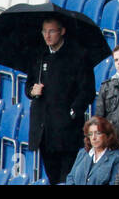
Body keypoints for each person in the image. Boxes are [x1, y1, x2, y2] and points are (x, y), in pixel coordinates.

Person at [26, 16, 97, 185]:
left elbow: (87, 90)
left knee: (67, 178)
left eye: (51, 31)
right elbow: (29, 85)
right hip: (44, 130)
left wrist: (72, 113)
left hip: (67, 131)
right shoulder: (39, 55)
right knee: (52, 176)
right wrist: (32, 91)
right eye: (44, 31)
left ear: (62, 31)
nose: (47, 36)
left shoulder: (78, 56)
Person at [64, 116, 119, 185]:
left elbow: (114, 182)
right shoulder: (83, 153)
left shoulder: (116, 157)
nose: (93, 138)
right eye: (90, 134)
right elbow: (71, 177)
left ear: (107, 135)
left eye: (98, 133)